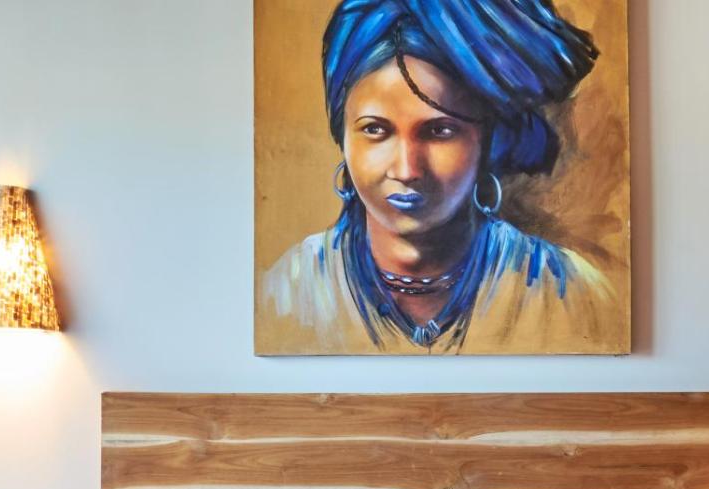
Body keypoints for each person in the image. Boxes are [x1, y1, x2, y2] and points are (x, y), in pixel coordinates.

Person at [259, 0, 619, 355]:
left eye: (439, 131)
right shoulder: (287, 293)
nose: (407, 170)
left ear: (486, 141)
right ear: (343, 136)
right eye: (375, 130)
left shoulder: (568, 294)